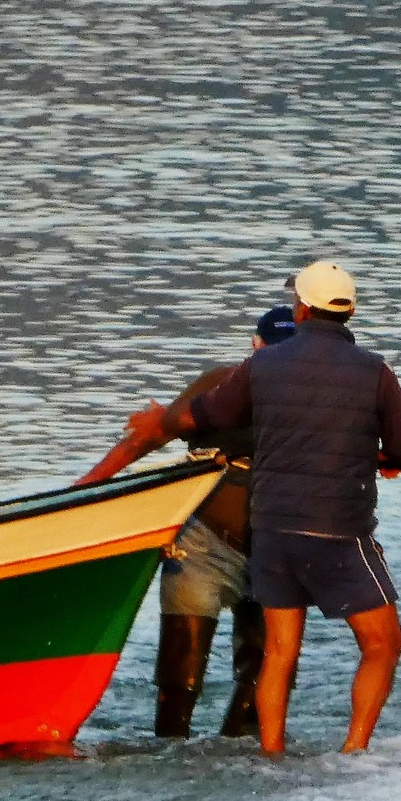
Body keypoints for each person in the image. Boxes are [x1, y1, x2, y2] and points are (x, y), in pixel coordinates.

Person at [125, 261, 401, 755]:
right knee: (383, 644)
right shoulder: (374, 371)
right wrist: (390, 459)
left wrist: (162, 419)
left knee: (279, 652)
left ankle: (271, 753)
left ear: (303, 309)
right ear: (348, 311)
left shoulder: (261, 366)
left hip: (272, 531)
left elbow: (208, 413)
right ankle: (353, 751)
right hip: (337, 531)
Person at [78, 305, 300, 739]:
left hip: (282, 548)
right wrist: (87, 486)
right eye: (271, 353)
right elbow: (152, 435)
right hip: (203, 543)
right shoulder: (219, 385)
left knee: (264, 668)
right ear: (255, 347)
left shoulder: (315, 401)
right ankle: (171, 752)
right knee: (180, 671)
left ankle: (242, 758)